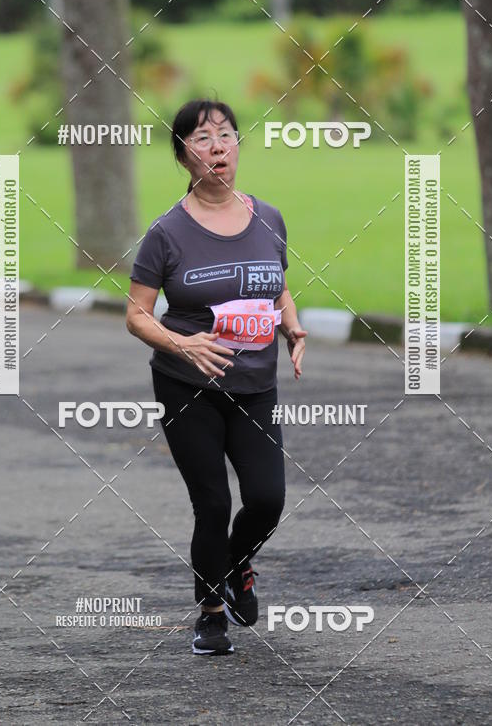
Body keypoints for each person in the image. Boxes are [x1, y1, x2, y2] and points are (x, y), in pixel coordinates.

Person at [126, 99, 307, 655]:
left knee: (267, 499)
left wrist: (291, 325)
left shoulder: (268, 217)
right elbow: (136, 315)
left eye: (226, 135)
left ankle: (235, 564)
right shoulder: (166, 233)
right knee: (212, 504)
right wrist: (183, 343)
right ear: (184, 155)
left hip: (256, 384)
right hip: (188, 388)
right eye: (202, 139)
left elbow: (276, 285)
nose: (218, 147)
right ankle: (210, 615)